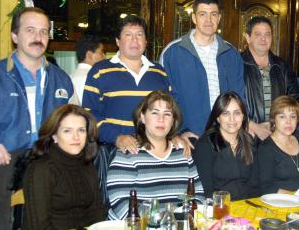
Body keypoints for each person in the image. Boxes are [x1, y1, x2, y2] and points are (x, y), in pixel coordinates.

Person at [0, 7, 77, 230]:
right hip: (4, 157)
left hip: (49, 157)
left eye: (44, 32)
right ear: (14, 36)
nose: (38, 37)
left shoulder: (62, 80)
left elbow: (78, 121)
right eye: (30, 30)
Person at [82, 16, 171, 205]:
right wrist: (117, 137)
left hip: (152, 155)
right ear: (117, 41)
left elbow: (169, 111)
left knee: (151, 206)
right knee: (118, 207)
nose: (134, 40)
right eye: (128, 35)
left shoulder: (159, 73)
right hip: (114, 154)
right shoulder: (99, 71)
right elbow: (89, 115)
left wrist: (174, 136)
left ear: (146, 42)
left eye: (139, 35)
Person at [160, 0, 245, 145]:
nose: (208, 20)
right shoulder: (173, 52)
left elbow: (240, 96)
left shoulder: (231, 53)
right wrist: (176, 133)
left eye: (213, 14)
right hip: (188, 138)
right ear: (194, 17)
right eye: (202, 14)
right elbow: (163, 98)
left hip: (227, 136)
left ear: (219, 18)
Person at [107, 91, 204, 220]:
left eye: (167, 114)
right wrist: (164, 221)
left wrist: (176, 221)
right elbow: (122, 206)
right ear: (142, 117)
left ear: (173, 121)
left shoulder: (183, 154)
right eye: (155, 113)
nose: (161, 119)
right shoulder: (128, 153)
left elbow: (199, 197)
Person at [23, 104, 105, 229]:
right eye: (67, 131)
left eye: (81, 130)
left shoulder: (87, 166)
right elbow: (38, 226)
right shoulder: (41, 169)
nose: (76, 137)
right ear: (54, 135)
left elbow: (97, 212)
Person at [242, 16, 299, 141]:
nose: (263, 38)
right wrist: (250, 125)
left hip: (278, 135)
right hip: (246, 135)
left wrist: (280, 124)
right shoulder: (236, 64)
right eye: (258, 34)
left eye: (267, 34)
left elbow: (295, 98)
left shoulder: (282, 66)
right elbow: (228, 100)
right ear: (248, 37)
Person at [193, 92, 260, 200]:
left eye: (237, 113)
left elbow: (255, 186)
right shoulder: (205, 145)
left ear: (243, 116)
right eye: (226, 113)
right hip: (219, 209)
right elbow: (206, 191)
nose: (232, 119)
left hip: (247, 207)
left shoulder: (249, 142)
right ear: (218, 118)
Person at [258, 96, 299, 194]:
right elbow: (266, 187)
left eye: (293, 116)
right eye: (282, 116)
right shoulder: (266, 147)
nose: (288, 122)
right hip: (280, 202)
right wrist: (295, 196)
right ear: (273, 120)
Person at [72, 34, 106, 104]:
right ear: (89, 55)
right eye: (102, 52)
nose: (104, 56)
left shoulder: (68, 77)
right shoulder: (95, 78)